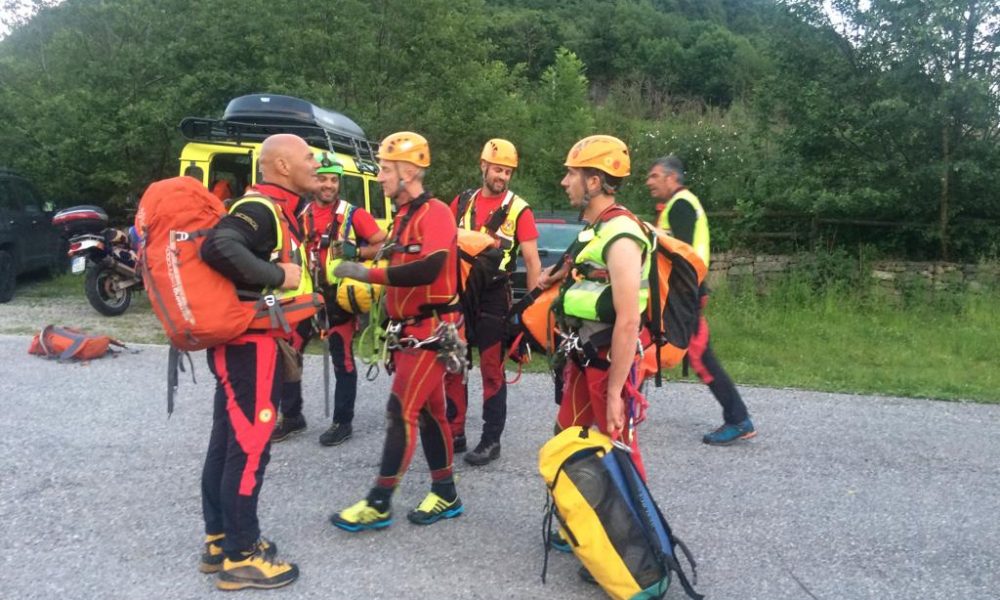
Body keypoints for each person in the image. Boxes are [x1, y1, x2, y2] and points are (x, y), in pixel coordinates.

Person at [197, 134, 321, 590]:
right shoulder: (260, 209)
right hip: (251, 349)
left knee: (227, 443)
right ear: (283, 166)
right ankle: (241, 556)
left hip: (245, 347)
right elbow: (218, 246)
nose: (316, 164)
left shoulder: (279, 209)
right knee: (249, 448)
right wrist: (277, 275)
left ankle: (220, 540)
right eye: (309, 157)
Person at [328, 131, 465, 531]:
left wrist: (367, 272)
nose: (381, 178)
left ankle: (379, 502)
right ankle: (446, 493)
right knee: (430, 412)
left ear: (408, 172)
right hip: (410, 329)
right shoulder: (402, 217)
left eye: (387, 170)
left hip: (433, 329)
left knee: (400, 411)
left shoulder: (435, 212)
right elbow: (395, 256)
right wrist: (358, 255)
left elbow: (430, 268)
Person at [540, 135, 651, 465]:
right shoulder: (597, 229)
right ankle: (574, 515)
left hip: (607, 363)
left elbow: (629, 319)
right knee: (565, 440)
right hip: (584, 355)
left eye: (571, 174)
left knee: (620, 455)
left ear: (594, 181)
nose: (564, 182)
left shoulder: (621, 234)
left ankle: (631, 518)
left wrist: (616, 393)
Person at [271, 152, 387, 446]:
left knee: (342, 360)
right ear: (313, 182)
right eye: (322, 179)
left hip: (337, 301)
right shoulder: (300, 214)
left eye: (334, 180)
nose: (328, 185)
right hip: (304, 298)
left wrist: (357, 253)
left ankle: (342, 421)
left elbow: (384, 246)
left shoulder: (353, 214)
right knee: (288, 354)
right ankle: (292, 416)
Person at [646, 155, 756, 445]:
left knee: (699, 356)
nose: (649, 182)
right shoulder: (679, 204)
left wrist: (649, 233)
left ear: (671, 178)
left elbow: (681, 252)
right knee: (657, 343)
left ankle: (738, 419)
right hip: (687, 292)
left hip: (686, 293)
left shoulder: (681, 204)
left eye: (654, 176)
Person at [445, 138, 541, 466]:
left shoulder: (519, 210)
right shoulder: (461, 203)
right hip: (460, 292)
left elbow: (532, 261)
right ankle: (455, 431)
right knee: (454, 364)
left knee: (490, 369)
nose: (502, 176)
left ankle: (490, 439)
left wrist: (531, 310)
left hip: (495, 296)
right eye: (497, 169)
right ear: (483, 165)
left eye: (508, 171)